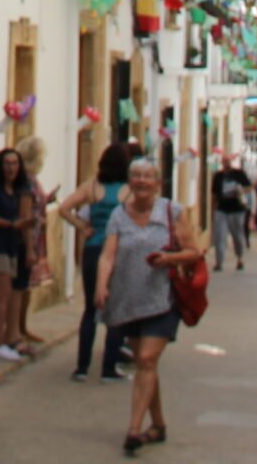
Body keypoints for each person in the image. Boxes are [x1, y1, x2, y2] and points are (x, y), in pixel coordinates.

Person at [95, 155, 204, 456]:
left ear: (157, 182)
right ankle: (158, 424)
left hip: (162, 300)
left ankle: (133, 429)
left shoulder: (172, 212)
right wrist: (101, 285)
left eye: (147, 176)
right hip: (128, 300)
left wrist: (168, 259)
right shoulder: (118, 215)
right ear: (130, 182)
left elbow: (193, 251)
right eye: (136, 176)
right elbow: (108, 254)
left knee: (145, 358)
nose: (142, 181)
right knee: (148, 365)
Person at [59, 143, 135, 383]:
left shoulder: (91, 187)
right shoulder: (129, 191)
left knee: (91, 309)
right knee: (116, 310)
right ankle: (109, 368)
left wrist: (83, 227)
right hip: (118, 251)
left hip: (93, 249)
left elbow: (63, 208)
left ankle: (82, 367)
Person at [0, 146, 40, 361]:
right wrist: (11, 224)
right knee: (3, 295)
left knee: (7, 294)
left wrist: (23, 228)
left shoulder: (17, 189)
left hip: (11, 246)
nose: (11, 168)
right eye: (7, 163)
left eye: (15, 163)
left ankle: (3, 339)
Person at [15, 135, 59, 349]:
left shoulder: (30, 180)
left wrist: (47, 199)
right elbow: (27, 211)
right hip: (28, 239)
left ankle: (21, 328)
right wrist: (30, 248)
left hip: (34, 238)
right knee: (22, 286)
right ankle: (16, 329)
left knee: (27, 286)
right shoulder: (27, 182)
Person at [208, 154, 250, 271]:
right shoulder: (218, 176)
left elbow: (249, 187)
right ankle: (219, 262)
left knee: (237, 235)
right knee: (219, 236)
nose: (226, 163)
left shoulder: (239, 174)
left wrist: (241, 191)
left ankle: (240, 258)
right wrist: (213, 210)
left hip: (237, 209)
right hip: (221, 209)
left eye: (227, 161)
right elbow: (214, 194)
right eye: (224, 161)